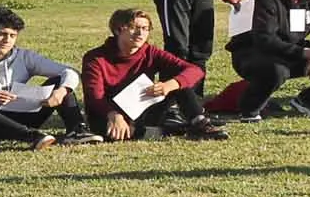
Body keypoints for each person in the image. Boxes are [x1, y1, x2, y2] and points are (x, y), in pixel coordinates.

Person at [0, 7, 103, 149]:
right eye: (1, 34)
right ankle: (31, 136)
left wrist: (62, 91)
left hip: (19, 113)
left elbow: (70, 72)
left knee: (59, 82)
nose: (7, 40)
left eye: (12, 36)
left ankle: (77, 130)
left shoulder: (24, 57)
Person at [80, 9, 229, 141]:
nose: (140, 33)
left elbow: (195, 70)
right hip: (109, 114)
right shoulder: (95, 58)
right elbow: (95, 96)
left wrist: (171, 84)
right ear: (118, 30)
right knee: (111, 134)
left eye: (145, 28)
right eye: (134, 28)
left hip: (142, 109)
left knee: (178, 77)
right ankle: (168, 130)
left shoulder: (150, 52)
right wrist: (113, 114)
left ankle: (199, 123)